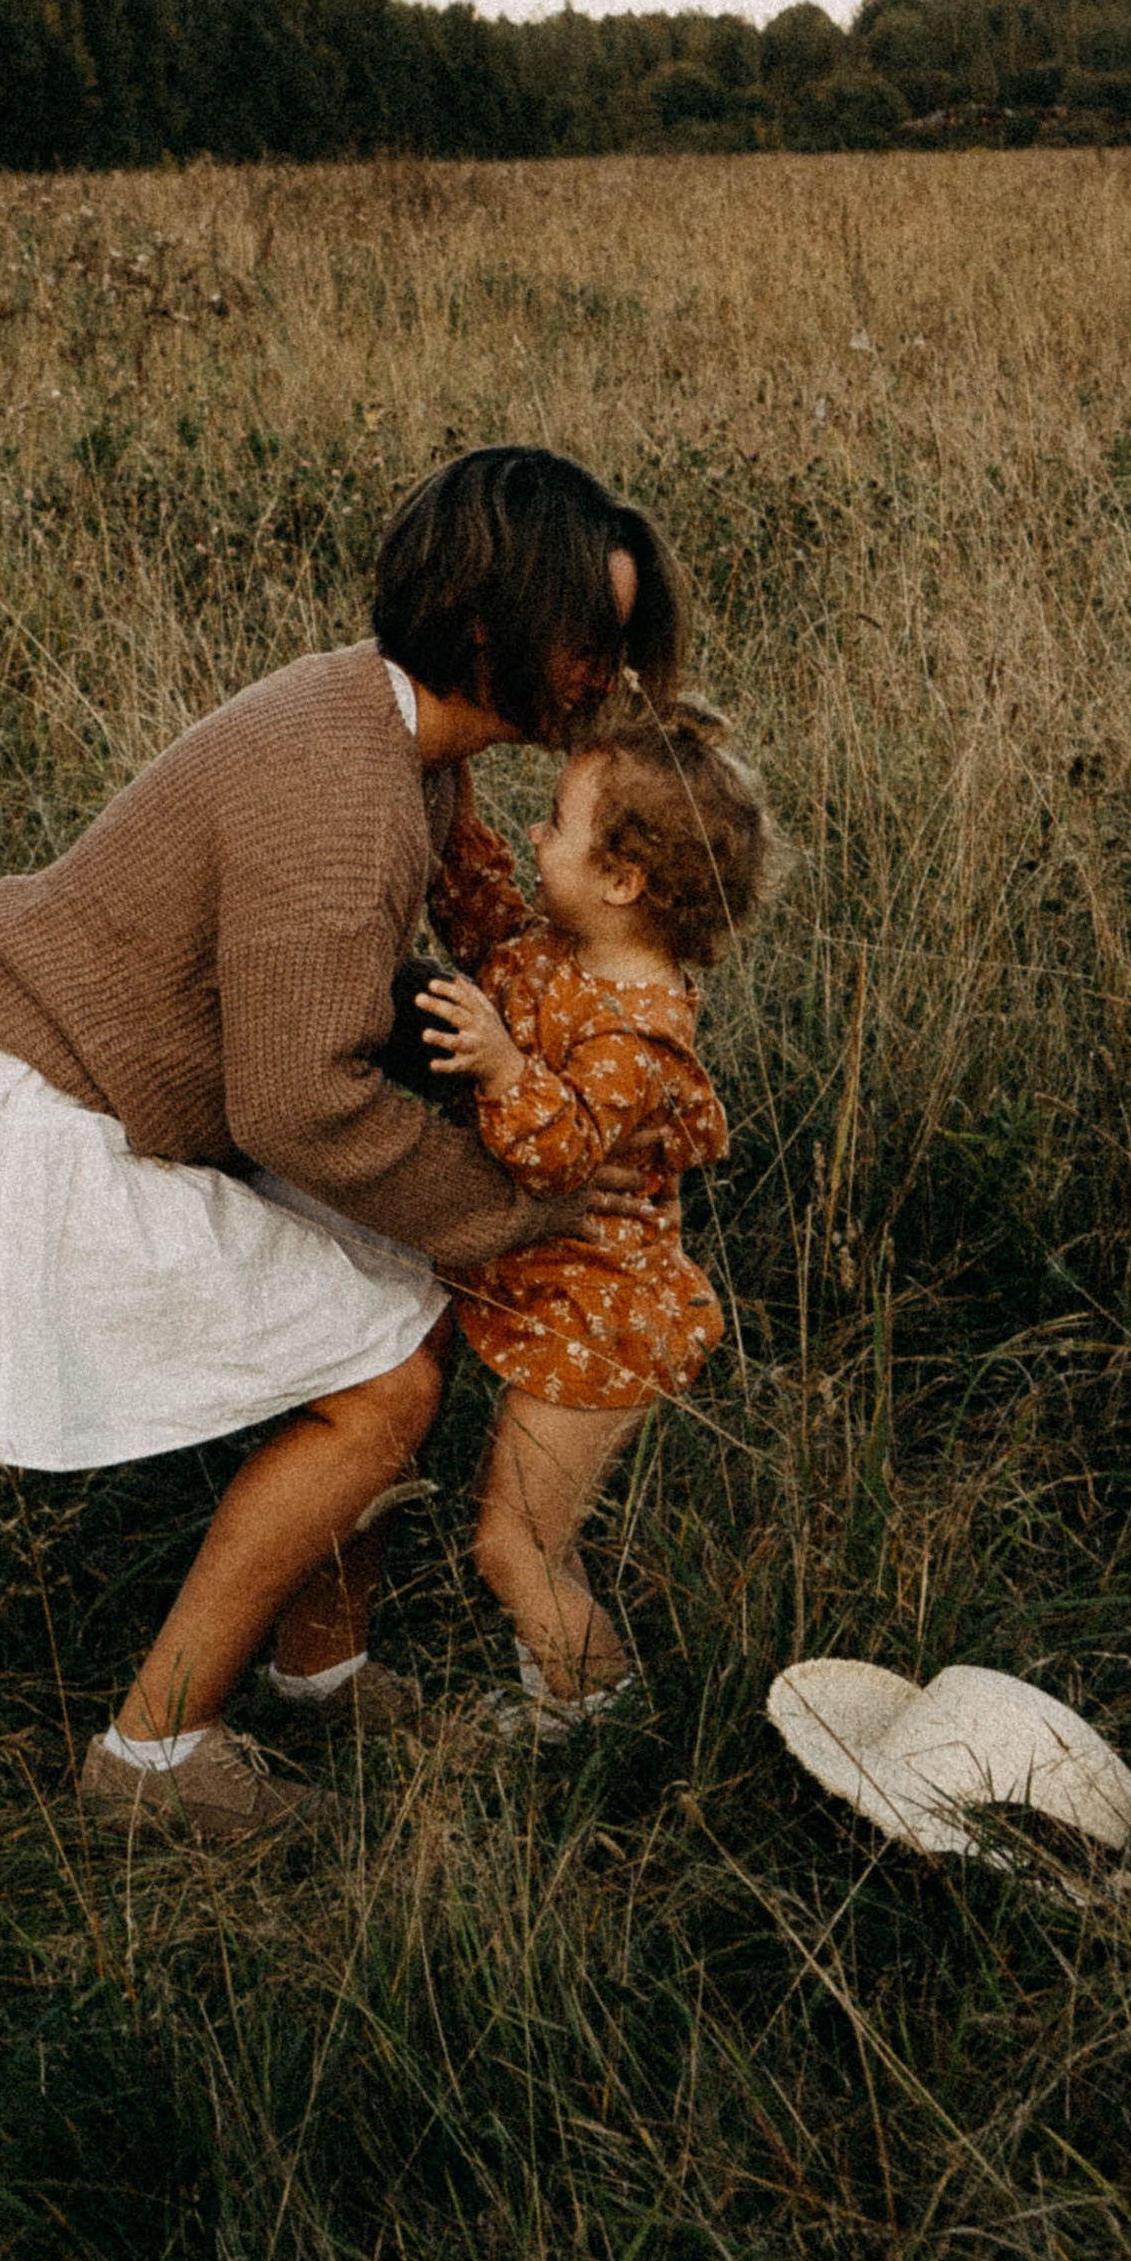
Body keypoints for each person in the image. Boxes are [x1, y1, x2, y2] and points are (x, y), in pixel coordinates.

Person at [0, 444, 686, 1843]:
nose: (607, 674)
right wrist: (516, 1206)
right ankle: (151, 1758)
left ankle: (319, 1675)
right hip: (31, 1118)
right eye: (590, 641)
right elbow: (297, 1105)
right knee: (386, 1383)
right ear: (493, 630)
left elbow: (321, 1011)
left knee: (390, 1311)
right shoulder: (349, 790)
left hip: (95, 1075)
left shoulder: (389, 730)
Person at [417, 694, 775, 1734]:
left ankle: (606, 1719)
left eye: (555, 826)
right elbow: (484, 918)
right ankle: (566, 1694)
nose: (536, 838)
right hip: (565, 1309)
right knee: (544, 1537)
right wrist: (450, 792)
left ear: (622, 880)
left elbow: (557, 1151)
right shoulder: (563, 952)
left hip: (600, 1328)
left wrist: (496, 1062)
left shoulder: (641, 1027)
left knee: (510, 1548)